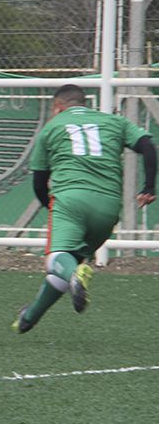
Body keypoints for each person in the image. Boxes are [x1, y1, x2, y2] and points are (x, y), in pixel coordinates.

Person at [12, 84, 156, 333]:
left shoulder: (52, 127)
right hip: (109, 206)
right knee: (72, 261)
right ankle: (28, 318)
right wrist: (149, 187)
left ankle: (75, 276)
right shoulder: (114, 121)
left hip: (70, 199)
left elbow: (38, 181)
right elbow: (147, 146)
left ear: (58, 107)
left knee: (57, 259)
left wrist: (52, 207)